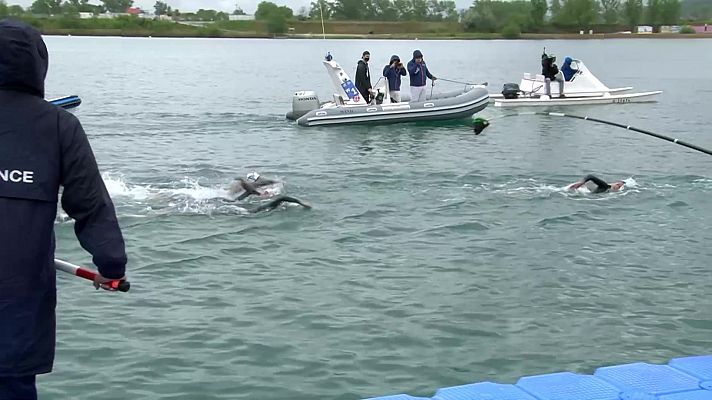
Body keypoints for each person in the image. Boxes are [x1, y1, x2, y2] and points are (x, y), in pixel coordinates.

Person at [0, 20, 127, 399]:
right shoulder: (59, 127)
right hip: (17, 306)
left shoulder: (59, 127)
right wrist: (111, 267)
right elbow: (91, 205)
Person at [228, 172, 311, 212]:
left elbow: (249, 191)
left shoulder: (243, 198)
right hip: (253, 209)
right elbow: (282, 198)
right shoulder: (258, 205)